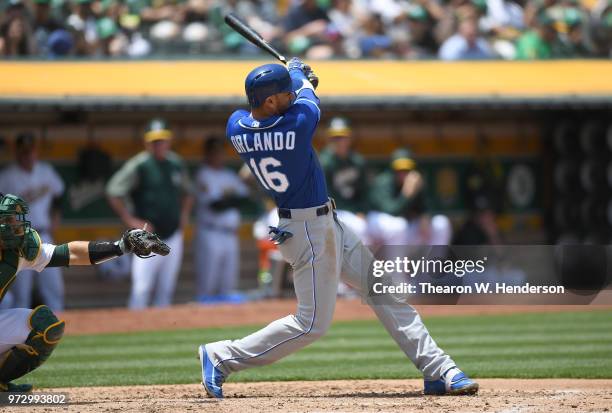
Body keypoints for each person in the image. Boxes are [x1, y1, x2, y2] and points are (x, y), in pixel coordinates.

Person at [197, 60, 478, 398]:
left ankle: (439, 369)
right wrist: (299, 72)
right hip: (307, 232)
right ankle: (221, 355)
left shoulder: (235, 127)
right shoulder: (297, 124)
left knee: (384, 291)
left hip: (323, 223)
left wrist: (296, 80)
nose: (289, 96)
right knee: (312, 324)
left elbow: (286, 99)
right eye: (281, 94)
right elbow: (307, 97)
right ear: (269, 101)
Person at [0, 192, 169, 392]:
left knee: (44, 324)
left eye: (13, 219)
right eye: (8, 220)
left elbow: (69, 253)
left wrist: (121, 246)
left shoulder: (17, 250)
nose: (16, 226)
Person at [106, 118, 193, 309]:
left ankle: (161, 332)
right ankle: (132, 332)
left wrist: (184, 215)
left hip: (173, 233)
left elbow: (188, 192)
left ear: (169, 141)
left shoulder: (175, 163)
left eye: (162, 140)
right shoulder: (140, 164)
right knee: (141, 289)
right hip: (146, 236)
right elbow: (113, 191)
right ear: (146, 142)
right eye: (154, 141)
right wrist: (130, 219)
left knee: (166, 289)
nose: (159, 144)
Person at [0, 132, 65, 311]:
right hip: (18, 240)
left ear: (36, 152)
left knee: (54, 289)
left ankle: (60, 331)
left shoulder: (46, 171)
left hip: (44, 235)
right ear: (17, 153)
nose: (27, 156)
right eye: (23, 152)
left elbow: (59, 194)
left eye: (30, 151)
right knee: (22, 294)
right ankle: (22, 335)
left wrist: (56, 217)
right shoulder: (6, 176)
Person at [194, 136, 249, 303]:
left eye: (221, 152)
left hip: (230, 234)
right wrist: (232, 198)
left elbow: (244, 199)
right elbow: (215, 204)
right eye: (214, 152)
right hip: (211, 232)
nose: (218, 155)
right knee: (207, 285)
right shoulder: (203, 174)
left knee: (229, 285)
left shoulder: (229, 175)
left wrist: (230, 199)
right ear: (207, 154)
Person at [368, 148, 452, 246]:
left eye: (407, 169)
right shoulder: (382, 182)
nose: (403, 173)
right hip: (382, 230)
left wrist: (425, 215)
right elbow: (392, 211)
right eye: (399, 169)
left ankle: (434, 261)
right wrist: (407, 194)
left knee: (441, 223)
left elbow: (429, 206)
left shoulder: (416, 181)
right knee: (398, 225)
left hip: (407, 229)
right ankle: (396, 261)